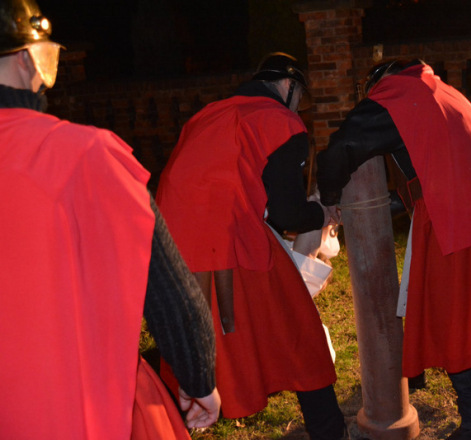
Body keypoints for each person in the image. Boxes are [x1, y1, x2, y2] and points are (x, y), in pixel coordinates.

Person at [0, 0, 220, 438]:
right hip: (76, 404)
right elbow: (167, 290)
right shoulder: (85, 155)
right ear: (27, 58)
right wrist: (198, 379)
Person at [316, 59, 471, 440]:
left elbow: (343, 146)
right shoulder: (442, 91)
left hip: (459, 214)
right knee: (433, 301)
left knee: (451, 316)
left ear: (381, 83)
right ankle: (417, 373)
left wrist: (329, 196)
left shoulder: (396, 94)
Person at [156, 52, 347, 440]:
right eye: (300, 97)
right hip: (227, 240)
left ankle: (157, 425)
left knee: (192, 346)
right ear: (288, 85)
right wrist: (323, 214)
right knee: (301, 333)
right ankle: (330, 432)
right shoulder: (280, 120)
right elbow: (288, 214)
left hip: (171, 246)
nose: (299, 107)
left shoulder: (206, 115)